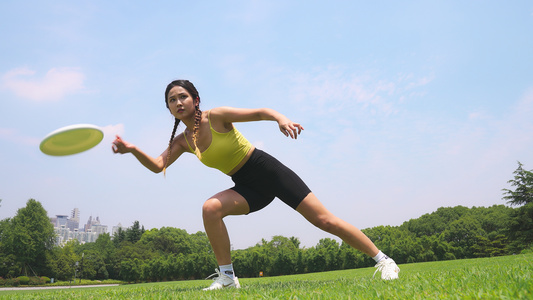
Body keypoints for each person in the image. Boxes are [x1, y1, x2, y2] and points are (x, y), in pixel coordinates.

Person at [112, 79, 400, 290]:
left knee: (324, 220)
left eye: (183, 96)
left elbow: (260, 111)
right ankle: (227, 278)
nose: (178, 103)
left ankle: (384, 260)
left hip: (267, 170)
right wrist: (133, 149)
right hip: (248, 186)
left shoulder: (217, 116)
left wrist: (281, 119)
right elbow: (158, 165)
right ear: (169, 108)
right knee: (210, 208)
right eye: (172, 100)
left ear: (195, 99)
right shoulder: (183, 141)